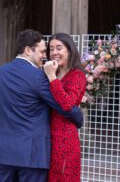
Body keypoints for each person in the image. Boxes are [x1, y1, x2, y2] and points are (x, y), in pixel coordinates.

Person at [0, 29, 83, 182]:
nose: (45, 56)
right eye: (43, 51)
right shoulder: (39, 77)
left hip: (5, 153)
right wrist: (78, 117)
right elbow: (62, 106)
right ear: (28, 50)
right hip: (33, 155)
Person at [43, 33, 86, 182]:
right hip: (46, 134)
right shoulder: (49, 72)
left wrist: (52, 77)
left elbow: (68, 104)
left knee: (63, 176)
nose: (54, 53)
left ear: (69, 50)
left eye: (59, 48)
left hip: (65, 137)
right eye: (51, 49)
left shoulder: (77, 75)